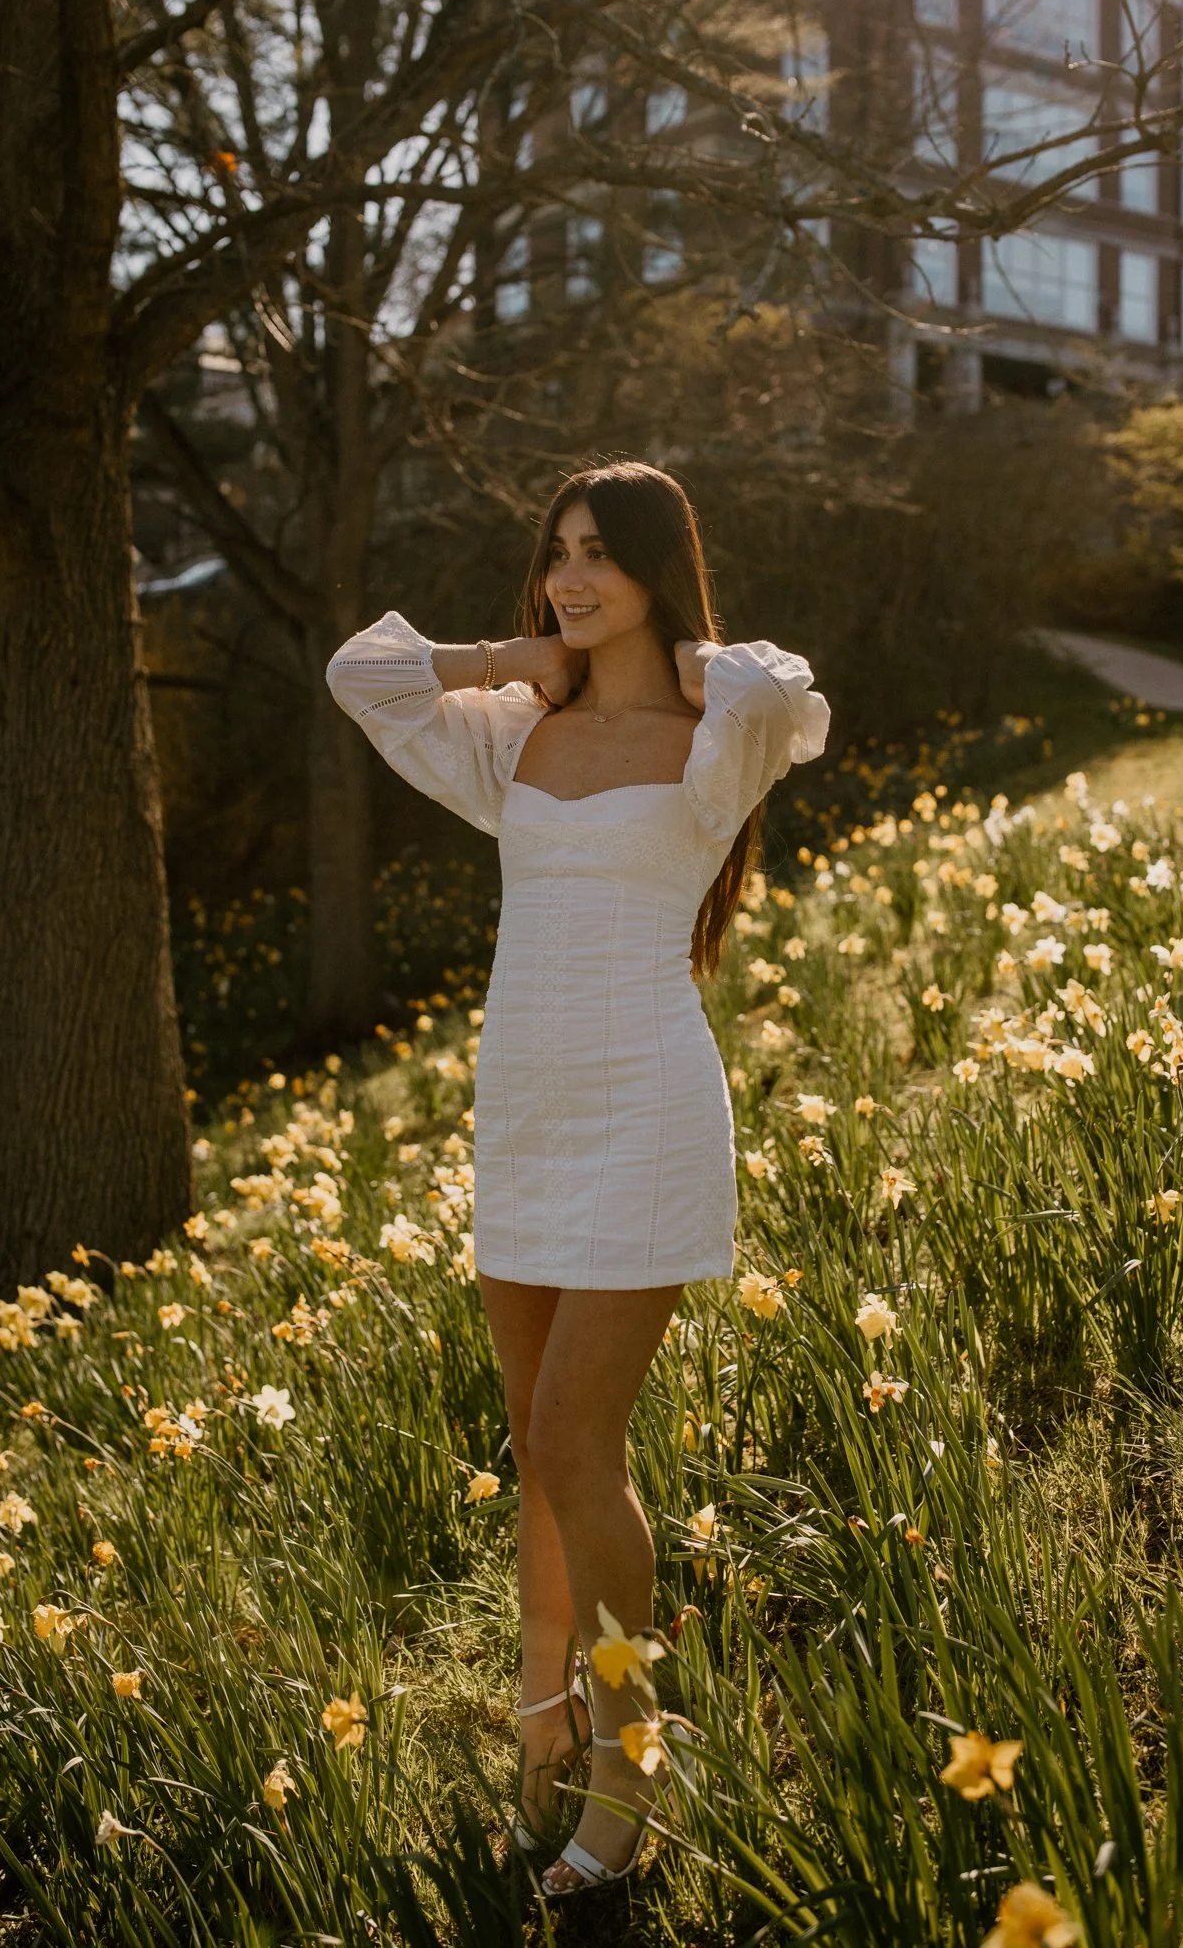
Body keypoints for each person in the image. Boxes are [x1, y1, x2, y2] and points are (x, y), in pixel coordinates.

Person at [325, 461, 829, 1896]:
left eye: (602, 552)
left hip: (648, 1110)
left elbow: (786, 687)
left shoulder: (714, 731)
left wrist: (667, 647)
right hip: (525, 1114)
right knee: (533, 1445)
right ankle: (541, 1711)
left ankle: (631, 1758)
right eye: (556, 552)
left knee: (571, 1442)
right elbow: (364, 670)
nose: (570, 574)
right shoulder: (512, 735)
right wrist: (522, 654)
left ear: (664, 567)